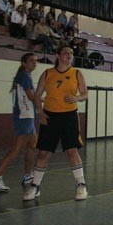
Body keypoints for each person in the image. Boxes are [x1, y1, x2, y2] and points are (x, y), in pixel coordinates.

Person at [23, 46, 89, 201]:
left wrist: (76, 98)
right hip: (50, 116)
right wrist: (40, 112)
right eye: (66, 52)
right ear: (58, 55)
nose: (69, 55)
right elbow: (37, 95)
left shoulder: (77, 73)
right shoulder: (47, 73)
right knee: (43, 153)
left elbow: (85, 94)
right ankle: (35, 186)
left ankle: (81, 185)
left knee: (71, 150)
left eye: (71, 53)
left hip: (69, 116)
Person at [0, 53, 38, 192]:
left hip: (28, 115)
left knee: (32, 144)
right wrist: (48, 99)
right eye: (31, 61)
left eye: (36, 61)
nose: (35, 63)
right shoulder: (24, 76)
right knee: (16, 148)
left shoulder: (25, 76)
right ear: (24, 63)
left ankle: (27, 175)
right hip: (24, 116)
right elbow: (31, 96)